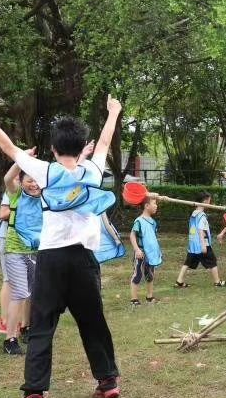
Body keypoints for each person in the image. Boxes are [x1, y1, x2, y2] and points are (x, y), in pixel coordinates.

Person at [0, 95, 122, 398]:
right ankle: (107, 383)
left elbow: (8, 147)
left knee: (42, 325)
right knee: (93, 322)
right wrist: (114, 112)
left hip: (51, 260)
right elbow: (105, 141)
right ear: (83, 149)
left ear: (53, 149)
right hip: (84, 260)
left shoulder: (44, 170)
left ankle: (35, 391)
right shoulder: (92, 171)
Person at [3, 155, 44, 356]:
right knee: (20, 293)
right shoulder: (17, 194)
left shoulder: (46, 197)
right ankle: (10, 339)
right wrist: (22, 159)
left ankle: (27, 328)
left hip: (37, 251)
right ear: (22, 181)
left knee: (33, 293)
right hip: (15, 251)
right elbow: (8, 179)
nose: (34, 184)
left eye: (37, 180)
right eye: (29, 180)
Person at [175, 192, 226, 288]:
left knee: (187, 262)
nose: (210, 202)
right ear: (205, 201)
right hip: (202, 243)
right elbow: (200, 230)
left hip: (193, 244)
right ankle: (217, 282)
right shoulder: (202, 216)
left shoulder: (194, 214)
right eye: (209, 200)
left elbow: (193, 229)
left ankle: (179, 281)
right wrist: (203, 244)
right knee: (212, 261)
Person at [129, 196, 162, 306]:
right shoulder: (139, 221)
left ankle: (149, 296)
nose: (156, 206)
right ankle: (134, 299)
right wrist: (137, 250)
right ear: (147, 206)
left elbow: (151, 237)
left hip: (151, 254)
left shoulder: (153, 222)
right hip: (141, 253)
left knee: (150, 274)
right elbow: (132, 235)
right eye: (154, 203)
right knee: (137, 274)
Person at [1, 193, 11, 336]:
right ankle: (3, 321)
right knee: (9, 280)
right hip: (7, 237)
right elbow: (3, 213)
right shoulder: (12, 189)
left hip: (26, 240)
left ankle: (19, 320)